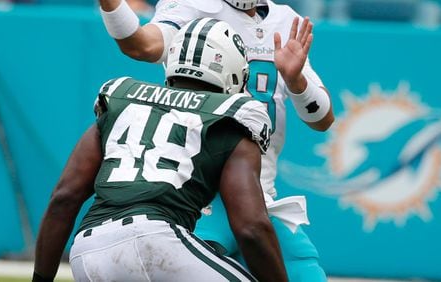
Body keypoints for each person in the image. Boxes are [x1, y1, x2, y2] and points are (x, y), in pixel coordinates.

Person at [33, 18, 287, 282]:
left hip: (89, 251)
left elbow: (64, 197)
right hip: (159, 241)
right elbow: (251, 227)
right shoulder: (234, 116)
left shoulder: (122, 100)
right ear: (235, 72)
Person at [98, 0, 335, 280]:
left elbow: (322, 119)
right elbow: (141, 45)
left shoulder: (284, 20)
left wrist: (297, 83)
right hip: (197, 197)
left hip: (258, 195)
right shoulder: (192, 5)